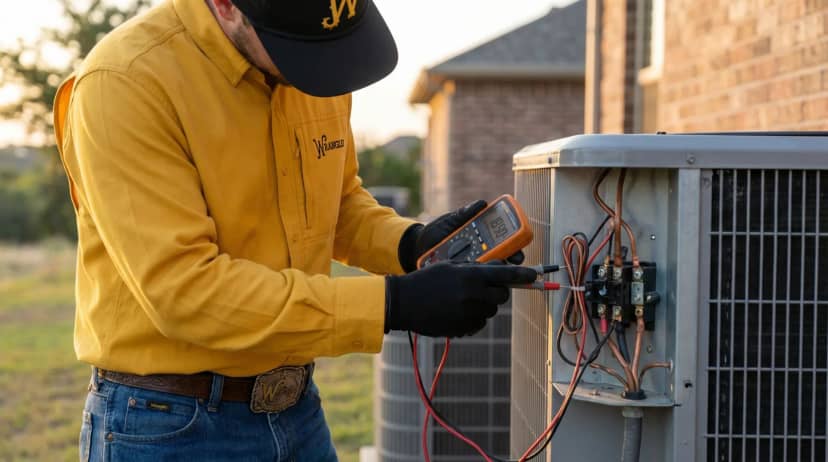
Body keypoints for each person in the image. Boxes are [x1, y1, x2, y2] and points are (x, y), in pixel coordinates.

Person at [53, 0, 536, 460]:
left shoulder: (313, 57)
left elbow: (338, 203)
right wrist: (394, 304)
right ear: (226, 6)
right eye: (299, 48)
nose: (319, 68)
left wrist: (410, 244)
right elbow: (185, 291)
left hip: (297, 410)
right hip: (168, 427)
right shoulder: (126, 82)